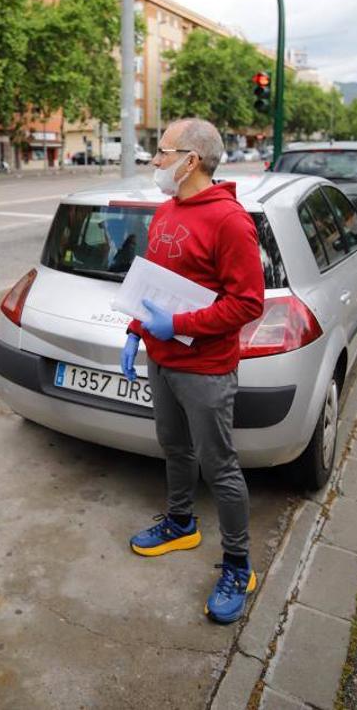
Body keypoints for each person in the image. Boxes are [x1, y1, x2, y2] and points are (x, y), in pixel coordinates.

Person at [120, 118, 264, 624]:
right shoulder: (167, 211)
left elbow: (247, 304)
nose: (156, 162)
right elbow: (158, 285)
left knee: (220, 466)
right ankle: (181, 522)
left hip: (205, 369)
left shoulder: (230, 221)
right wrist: (139, 328)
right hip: (163, 361)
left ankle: (238, 564)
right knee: (175, 448)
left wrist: (177, 323)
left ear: (191, 160)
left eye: (163, 152)